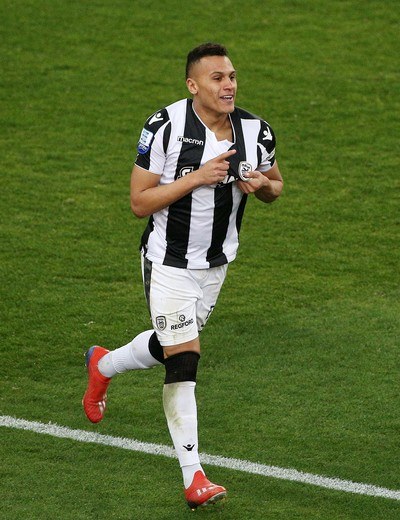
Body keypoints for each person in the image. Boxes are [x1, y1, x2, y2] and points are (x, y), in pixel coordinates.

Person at [82, 42, 283, 510]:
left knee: (170, 343)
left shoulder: (256, 130)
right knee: (184, 358)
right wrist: (197, 177)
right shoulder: (165, 127)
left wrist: (261, 186)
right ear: (193, 85)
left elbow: (276, 186)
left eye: (232, 76)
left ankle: (103, 365)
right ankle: (194, 478)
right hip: (168, 261)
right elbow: (139, 202)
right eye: (217, 78)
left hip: (216, 264)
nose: (229, 85)